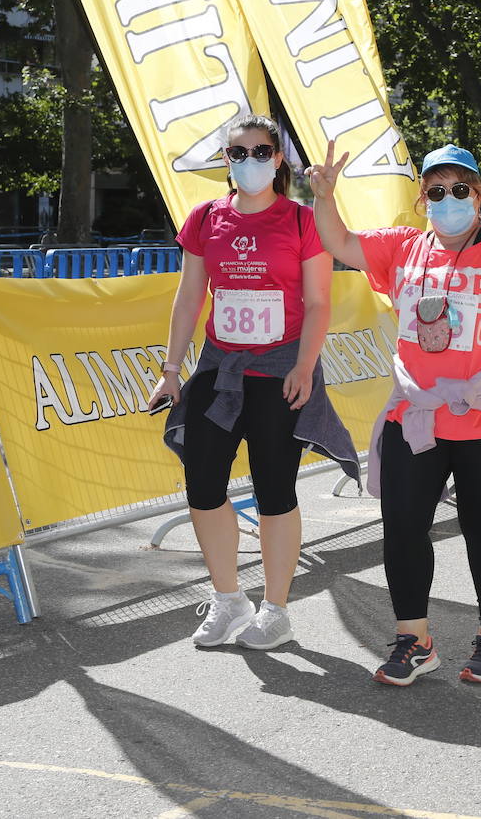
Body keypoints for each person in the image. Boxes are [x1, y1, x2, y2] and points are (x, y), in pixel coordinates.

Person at [308, 141, 481, 686]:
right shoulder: (403, 247)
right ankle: (413, 640)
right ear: (422, 201)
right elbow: (340, 242)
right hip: (417, 415)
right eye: (436, 191)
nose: (447, 199)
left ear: (480, 196)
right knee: (402, 527)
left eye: (459, 189)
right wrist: (324, 196)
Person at [151, 114, 359, 652]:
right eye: (237, 153)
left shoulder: (300, 221)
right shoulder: (205, 219)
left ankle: (275, 610)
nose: (249, 162)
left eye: (260, 151)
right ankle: (228, 599)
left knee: (274, 491)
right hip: (220, 372)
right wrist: (173, 372)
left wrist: (305, 365)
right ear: (226, 161)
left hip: (282, 371)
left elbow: (318, 303)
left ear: (278, 159)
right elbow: (189, 298)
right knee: (202, 486)